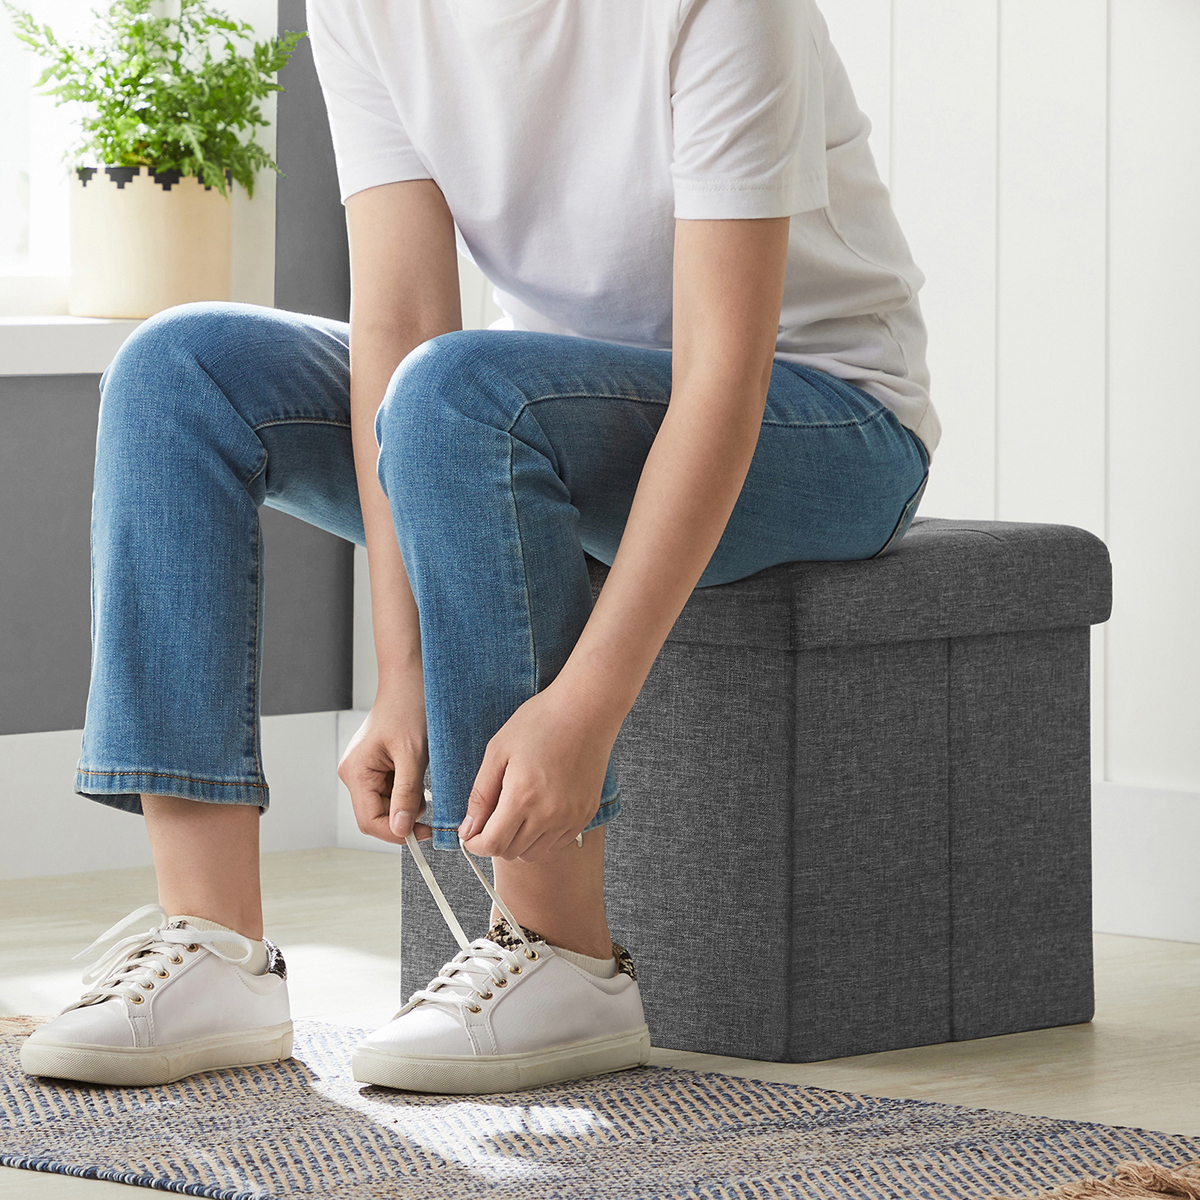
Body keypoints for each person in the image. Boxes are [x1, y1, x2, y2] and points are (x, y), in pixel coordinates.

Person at [21, 0, 939, 1095]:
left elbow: (721, 378)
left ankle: (563, 958)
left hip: (824, 419)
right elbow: (402, 321)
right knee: (179, 371)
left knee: (463, 393)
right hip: (544, 402)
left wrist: (583, 709)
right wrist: (402, 672)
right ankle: (215, 944)